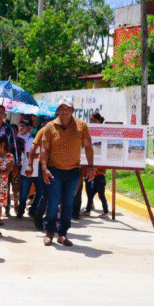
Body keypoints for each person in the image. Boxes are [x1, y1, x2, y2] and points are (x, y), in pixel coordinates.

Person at [40, 98, 94, 247]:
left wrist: (91, 166)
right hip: (54, 171)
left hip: (73, 171)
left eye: (68, 108)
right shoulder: (49, 127)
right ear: (58, 111)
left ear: (72, 111)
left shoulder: (81, 126)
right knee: (53, 203)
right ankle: (50, 231)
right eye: (62, 108)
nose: (65, 111)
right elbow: (44, 149)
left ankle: (62, 234)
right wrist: (44, 169)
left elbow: (88, 146)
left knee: (68, 204)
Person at [82, 113, 109, 217]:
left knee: (101, 195)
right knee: (89, 189)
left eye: (93, 120)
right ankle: (89, 208)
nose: (91, 122)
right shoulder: (88, 129)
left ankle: (104, 211)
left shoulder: (103, 130)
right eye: (90, 120)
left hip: (98, 172)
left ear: (99, 121)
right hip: (89, 162)